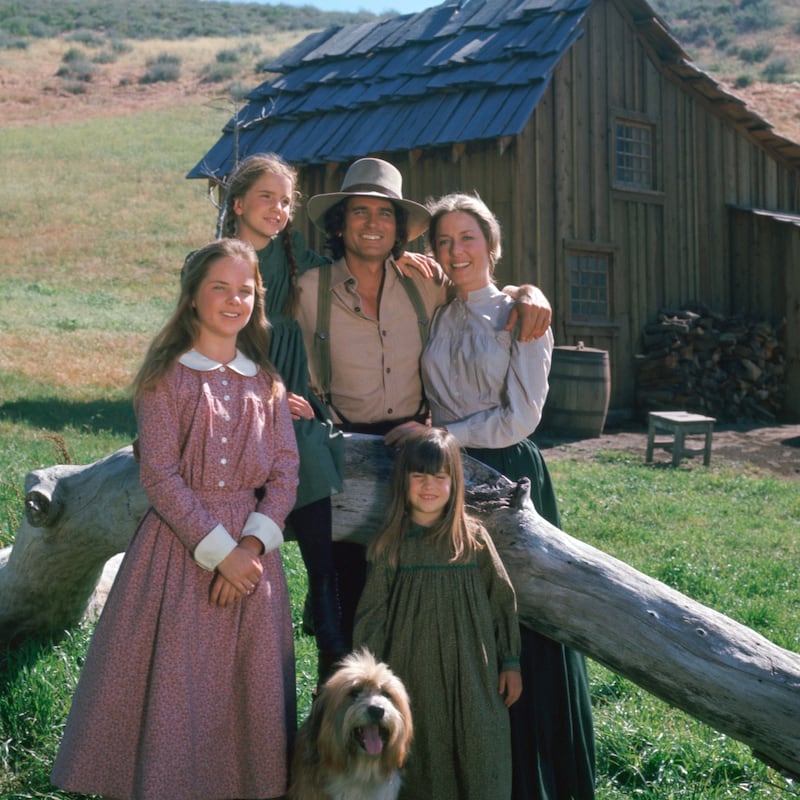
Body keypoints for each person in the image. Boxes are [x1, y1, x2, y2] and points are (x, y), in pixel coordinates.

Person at [51, 238, 300, 800]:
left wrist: (252, 549)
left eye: (245, 290)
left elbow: (285, 475)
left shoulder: (265, 381)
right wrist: (221, 553)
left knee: (244, 694)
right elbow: (161, 476)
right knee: (179, 688)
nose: (234, 300)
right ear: (192, 298)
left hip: (253, 564)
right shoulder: (166, 378)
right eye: (220, 288)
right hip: (179, 555)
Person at [387, 192, 596, 799]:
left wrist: (442, 436)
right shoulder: (440, 314)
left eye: (467, 238)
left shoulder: (522, 313)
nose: (455, 251)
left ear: (491, 244)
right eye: (444, 241)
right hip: (445, 473)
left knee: (524, 619)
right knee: (466, 616)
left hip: (505, 471)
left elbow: (523, 416)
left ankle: (537, 779)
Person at [295, 157, 552, 646]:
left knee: (438, 593)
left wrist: (528, 291)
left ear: (399, 229)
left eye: (385, 214)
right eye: (359, 212)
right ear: (339, 222)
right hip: (346, 444)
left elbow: (485, 295)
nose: (372, 224)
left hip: (428, 451)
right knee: (346, 599)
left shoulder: (425, 285)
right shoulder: (309, 291)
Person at [220, 152, 348, 685]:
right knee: (298, 441)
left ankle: (324, 599)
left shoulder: (302, 265)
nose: (277, 208)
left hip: (287, 405)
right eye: (266, 197)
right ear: (240, 202)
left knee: (311, 438)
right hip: (228, 403)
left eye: (285, 200)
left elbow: (363, 272)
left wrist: (413, 262)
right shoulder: (213, 263)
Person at [353, 427, 522, 800]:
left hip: (474, 675)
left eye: (440, 477)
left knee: (481, 745)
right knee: (423, 754)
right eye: (419, 476)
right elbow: (372, 615)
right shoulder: (390, 545)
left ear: (454, 482)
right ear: (404, 481)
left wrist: (510, 660)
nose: (429, 486)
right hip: (412, 672)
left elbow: (501, 599)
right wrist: (370, 682)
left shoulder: (472, 538)